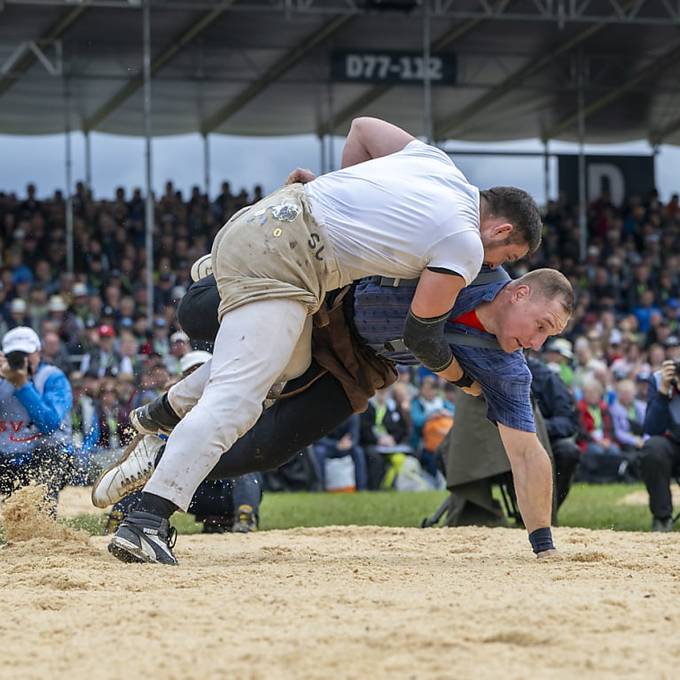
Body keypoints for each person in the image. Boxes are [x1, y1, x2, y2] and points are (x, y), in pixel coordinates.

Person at [104, 117, 542, 564]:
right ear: (501, 230)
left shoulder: (436, 163)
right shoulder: (467, 244)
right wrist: (465, 380)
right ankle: (145, 523)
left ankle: (166, 410)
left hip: (267, 217)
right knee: (237, 401)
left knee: (286, 366)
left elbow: (362, 128)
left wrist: (341, 188)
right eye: (505, 257)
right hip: (291, 260)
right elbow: (421, 333)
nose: (494, 267)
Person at [95, 266, 571, 563]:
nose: (537, 343)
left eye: (548, 337)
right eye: (542, 327)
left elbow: (527, 456)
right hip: (320, 303)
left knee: (265, 449)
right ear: (519, 294)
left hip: (360, 363)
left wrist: (543, 543)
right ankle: (215, 276)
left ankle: (158, 459)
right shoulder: (468, 265)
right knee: (233, 358)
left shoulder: (507, 366)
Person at [0, 326, 73, 510]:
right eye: (16, 355)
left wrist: (22, 385)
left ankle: (44, 515)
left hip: (46, 453)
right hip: (9, 455)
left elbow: (50, 424)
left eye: (27, 354)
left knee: (49, 454)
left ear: (38, 353)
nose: (22, 360)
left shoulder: (52, 378)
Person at [638, 359, 680, 531]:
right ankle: (662, 518)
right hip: (669, 444)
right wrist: (663, 391)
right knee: (653, 448)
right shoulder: (658, 379)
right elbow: (652, 428)